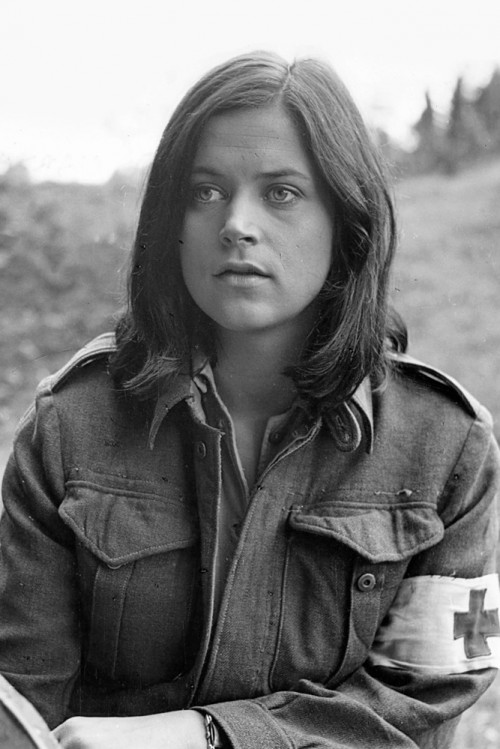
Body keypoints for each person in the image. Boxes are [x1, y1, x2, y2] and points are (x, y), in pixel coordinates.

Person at [0, 51, 499, 749]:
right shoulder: (69, 426)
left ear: (347, 219)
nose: (235, 222)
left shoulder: (450, 447)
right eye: (205, 191)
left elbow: (423, 706)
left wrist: (207, 734)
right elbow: (20, 703)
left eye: (282, 192)